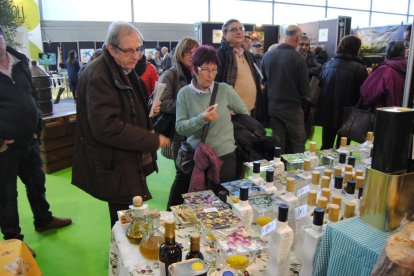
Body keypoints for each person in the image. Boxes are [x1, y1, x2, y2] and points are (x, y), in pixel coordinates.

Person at [71, 21, 170, 228]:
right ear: (111, 49)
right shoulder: (99, 75)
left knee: (129, 215)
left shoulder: (121, 68)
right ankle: (122, 258)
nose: (136, 56)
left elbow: (126, 107)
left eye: (138, 49)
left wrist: (147, 111)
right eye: (129, 51)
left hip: (125, 157)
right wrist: (150, 139)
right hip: (115, 160)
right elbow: (106, 127)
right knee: (124, 221)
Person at [0, 26, 72, 257]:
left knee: (37, 183)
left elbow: (32, 96)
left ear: (3, 38)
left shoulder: (20, 62)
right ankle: (14, 242)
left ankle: (43, 219)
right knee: (6, 196)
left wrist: (37, 127)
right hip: (4, 148)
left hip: (29, 142)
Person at [175, 45, 248, 194]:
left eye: (214, 70)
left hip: (225, 156)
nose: (211, 75)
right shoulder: (184, 94)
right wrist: (201, 118)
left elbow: (244, 114)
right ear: (194, 70)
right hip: (197, 157)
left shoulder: (225, 90)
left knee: (222, 201)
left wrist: (230, 124)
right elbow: (180, 127)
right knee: (196, 202)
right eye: (206, 70)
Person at [160, 37, 199, 210]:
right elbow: (162, 102)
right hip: (179, 134)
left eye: (195, 51)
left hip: (196, 132)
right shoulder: (171, 74)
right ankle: (170, 212)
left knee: (192, 173)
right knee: (182, 173)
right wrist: (188, 108)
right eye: (188, 52)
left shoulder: (198, 72)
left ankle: (184, 211)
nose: (192, 55)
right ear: (179, 53)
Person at [261, 25, 309, 154]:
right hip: (292, 108)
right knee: (298, 142)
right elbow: (305, 89)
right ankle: (297, 171)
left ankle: (278, 171)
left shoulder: (268, 55)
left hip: (273, 106)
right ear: (298, 38)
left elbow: (264, 81)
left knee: (278, 142)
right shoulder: (299, 58)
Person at [315, 35, 368, 150]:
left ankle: (324, 167)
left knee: (326, 146)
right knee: (343, 148)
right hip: (348, 114)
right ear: (356, 48)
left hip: (327, 111)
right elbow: (363, 93)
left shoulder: (328, 65)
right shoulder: (359, 68)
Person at [216, 19, 262, 117]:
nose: (239, 32)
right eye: (233, 29)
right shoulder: (221, 54)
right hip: (231, 114)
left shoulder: (247, 54)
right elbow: (216, 83)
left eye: (241, 28)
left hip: (250, 111)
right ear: (225, 34)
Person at [360, 41, 407, 108]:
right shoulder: (409, 69)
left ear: (387, 54)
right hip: (405, 113)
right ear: (404, 54)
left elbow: (366, 95)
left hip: (384, 113)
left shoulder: (383, 70)